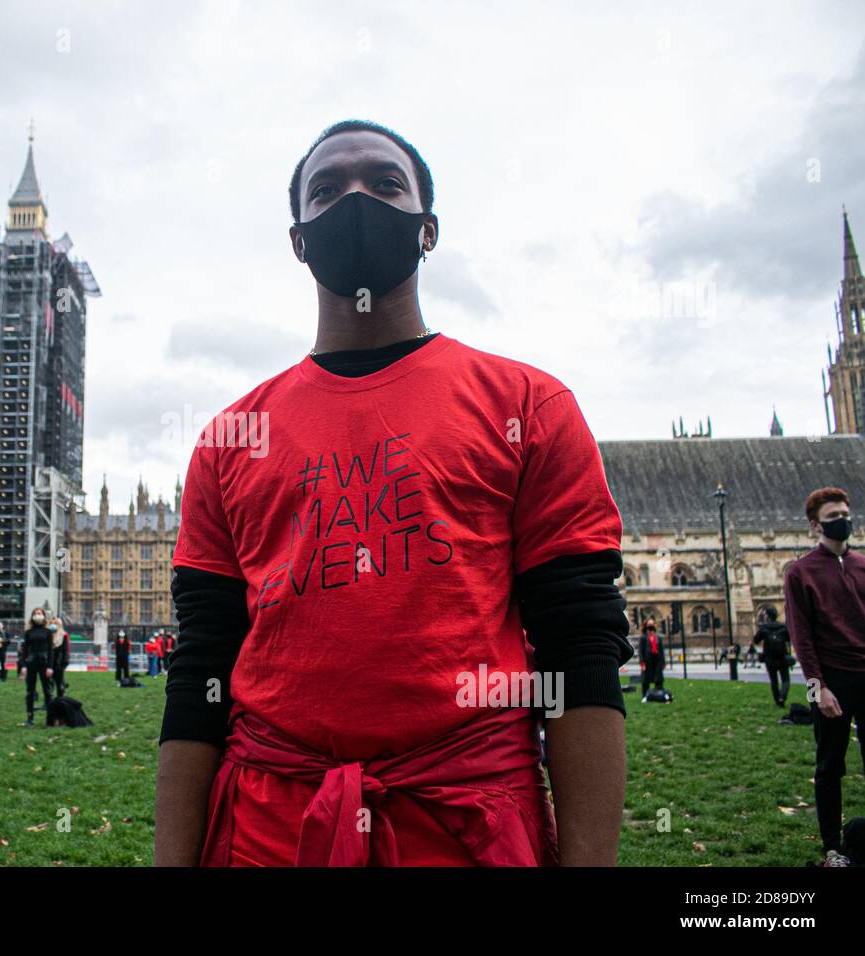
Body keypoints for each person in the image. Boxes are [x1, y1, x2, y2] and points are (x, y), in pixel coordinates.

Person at [154, 120, 633, 868]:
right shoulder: (230, 437)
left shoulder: (529, 405)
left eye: (384, 184)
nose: (355, 200)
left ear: (428, 228)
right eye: (327, 189)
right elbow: (201, 670)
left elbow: (579, 653)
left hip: (468, 826)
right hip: (273, 829)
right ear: (299, 239)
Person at [784, 486, 865, 867]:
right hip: (832, 681)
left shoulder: (863, 566)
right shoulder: (801, 572)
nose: (842, 521)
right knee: (830, 765)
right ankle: (832, 847)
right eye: (833, 517)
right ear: (816, 526)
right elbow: (802, 638)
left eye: (845, 513)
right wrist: (818, 689)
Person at [19, 609, 55, 726]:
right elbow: (25, 651)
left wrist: (50, 667)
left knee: (47, 691)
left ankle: (50, 719)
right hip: (31, 662)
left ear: (43, 616)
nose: (37, 615)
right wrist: (23, 666)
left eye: (39, 613)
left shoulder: (48, 632)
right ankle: (30, 718)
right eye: (35, 613)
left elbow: (50, 651)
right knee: (30, 691)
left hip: (44, 663)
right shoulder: (28, 632)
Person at [753, 607, 792, 708]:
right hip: (782, 657)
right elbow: (789, 638)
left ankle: (777, 700)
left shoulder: (764, 627)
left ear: (767, 616)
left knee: (774, 681)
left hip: (769, 658)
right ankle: (782, 697)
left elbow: (756, 640)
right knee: (786, 680)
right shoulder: (783, 627)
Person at [638, 620, 666, 701]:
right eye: (649, 624)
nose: (651, 625)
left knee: (658, 679)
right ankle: (645, 697)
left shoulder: (658, 637)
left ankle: (659, 695)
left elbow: (661, 650)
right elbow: (641, 651)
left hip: (657, 660)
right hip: (647, 661)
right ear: (646, 625)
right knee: (645, 680)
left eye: (652, 624)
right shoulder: (643, 637)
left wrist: (663, 662)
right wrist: (642, 663)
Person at [50, 618, 69, 695]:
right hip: (49, 663)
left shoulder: (63, 635)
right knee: (49, 684)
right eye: (52, 623)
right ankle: (49, 701)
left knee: (59, 684)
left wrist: (65, 662)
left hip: (59, 663)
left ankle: (60, 701)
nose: (54, 625)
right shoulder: (48, 635)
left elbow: (65, 650)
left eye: (56, 624)